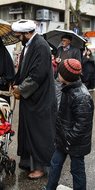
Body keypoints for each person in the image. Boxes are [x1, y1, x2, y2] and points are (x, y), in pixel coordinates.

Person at [34, 59, 94, 190]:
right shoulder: (68, 88)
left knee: (77, 169)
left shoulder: (82, 96)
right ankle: (50, 189)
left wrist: (69, 138)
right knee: (55, 163)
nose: (58, 74)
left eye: (60, 72)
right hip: (64, 139)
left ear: (66, 76)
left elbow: (82, 125)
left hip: (75, 142)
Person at [11, 19, 57, 179]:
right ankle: (28, 162)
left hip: (40, 100)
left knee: (40, 134)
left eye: (18, 36)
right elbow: (24, 69)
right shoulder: (29, 45)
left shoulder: (41, 46)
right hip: (30, 99)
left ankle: (41, 167)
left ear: (27, 33)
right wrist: (14, 82)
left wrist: (21, 89)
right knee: (28, 131)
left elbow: (37, 75)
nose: (17, 38)